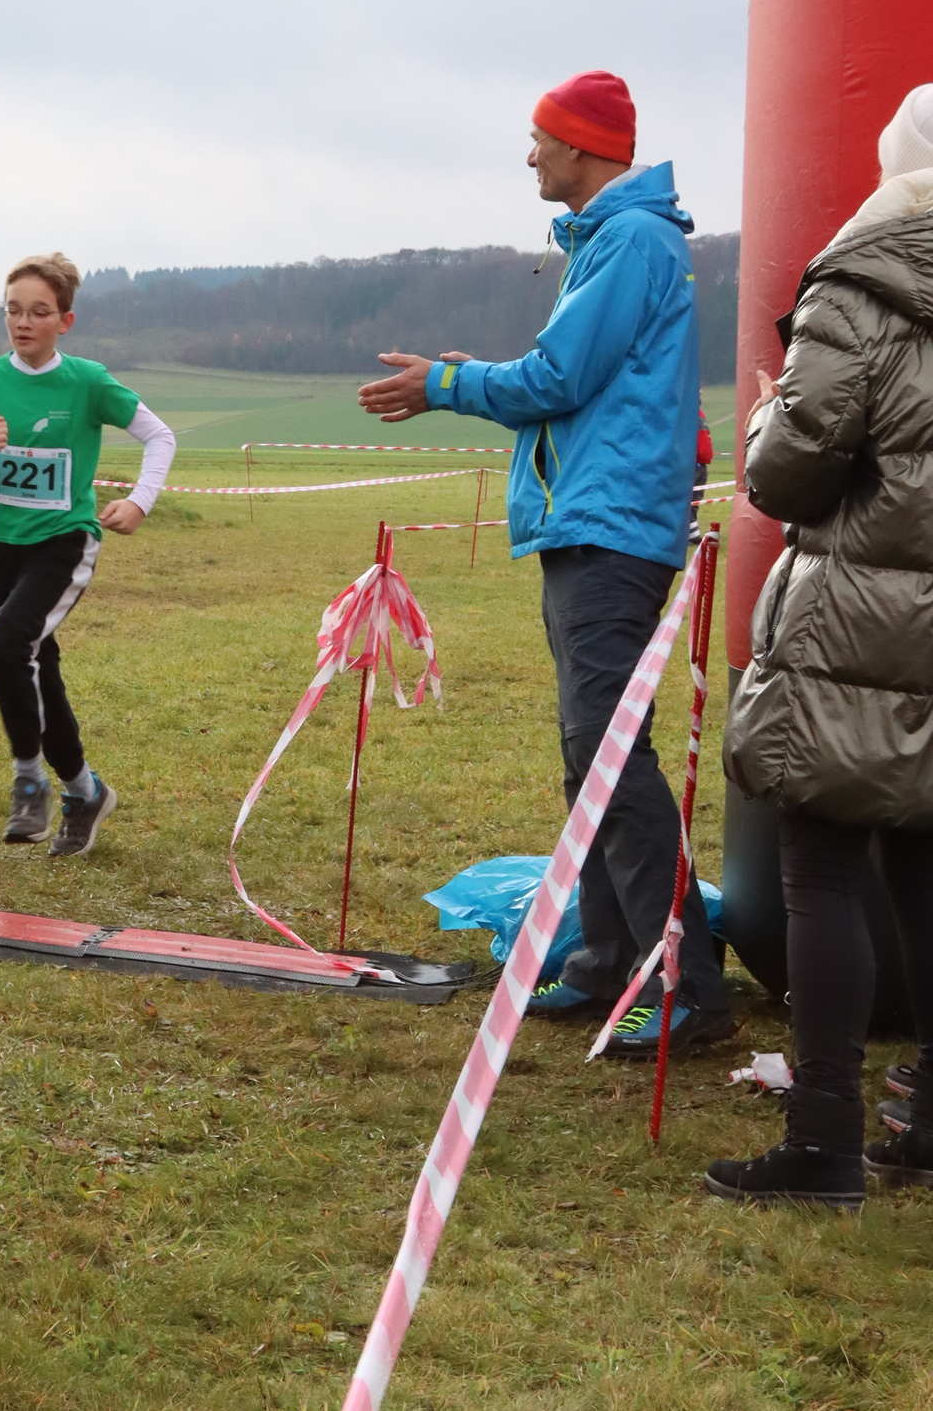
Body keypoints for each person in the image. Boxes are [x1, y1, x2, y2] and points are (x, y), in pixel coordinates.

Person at [360, 70, 733, 1053]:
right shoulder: (611, 241)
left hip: (610, 528)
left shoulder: (631, 239)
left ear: (580, 147)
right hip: (587, 527)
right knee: (588, 755)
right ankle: (606, 961)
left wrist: (444, 382)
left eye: (540, 138)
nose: (528, 156)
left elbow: (559, 377)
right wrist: (462, 377)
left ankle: (685, 988)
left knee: (610, 755)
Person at [707, 82, 933, 1208]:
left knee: (823, 866)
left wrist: (765, 412)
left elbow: (788, 472)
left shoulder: (857, 283)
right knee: (925, 868)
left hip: (855, 624)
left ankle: (824, 1138)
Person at [0, 253, 176, 855]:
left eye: (39, 312)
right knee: (37, 666)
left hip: (66, 540)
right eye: (13, 310)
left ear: (64, 321)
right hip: (4, 543)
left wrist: (140, 501)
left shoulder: (88, 381)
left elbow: (159, 436)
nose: (23, 322)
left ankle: (29, 781)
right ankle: (85, 791)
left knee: (3, 647)